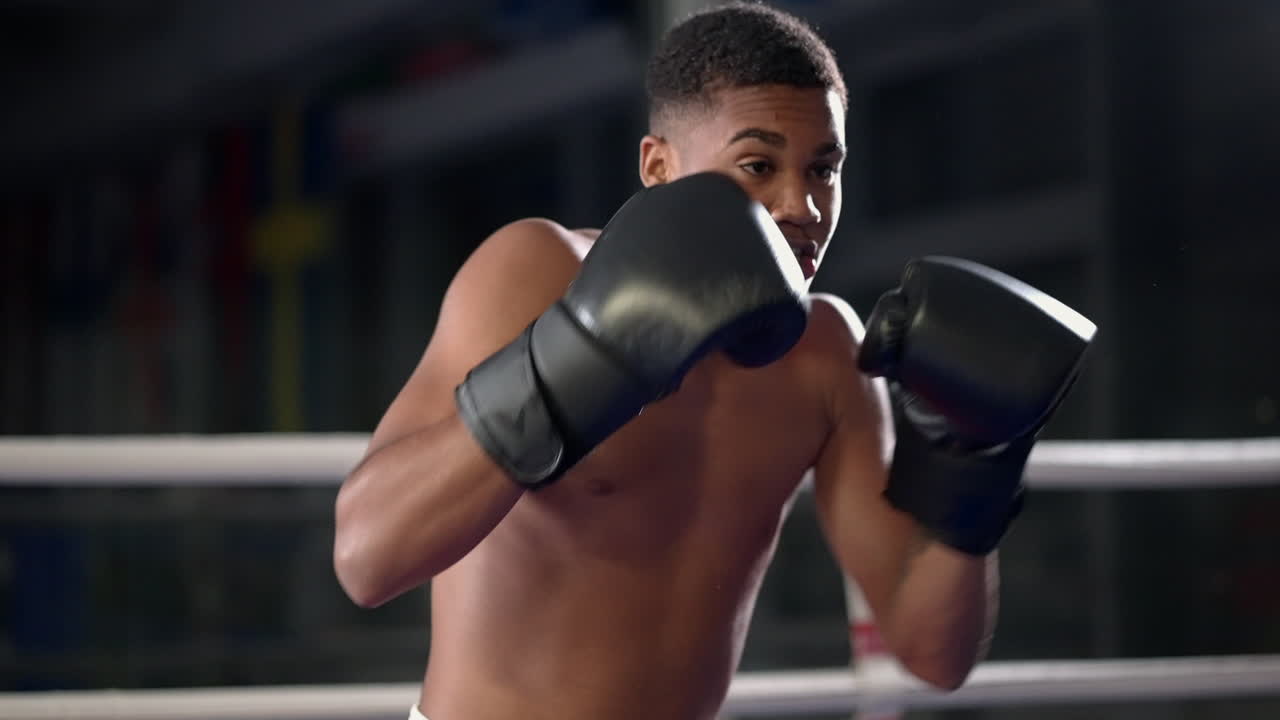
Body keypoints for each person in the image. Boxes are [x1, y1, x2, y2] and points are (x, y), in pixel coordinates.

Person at [332, 3, 1094, 719]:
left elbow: (932, 653)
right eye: (759, 165)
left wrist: (976, 466)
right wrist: (577, 359)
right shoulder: (536, 271)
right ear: (658, 166)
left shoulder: (827, 352)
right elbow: (367, 563)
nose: (802, 206)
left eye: (823, 168)